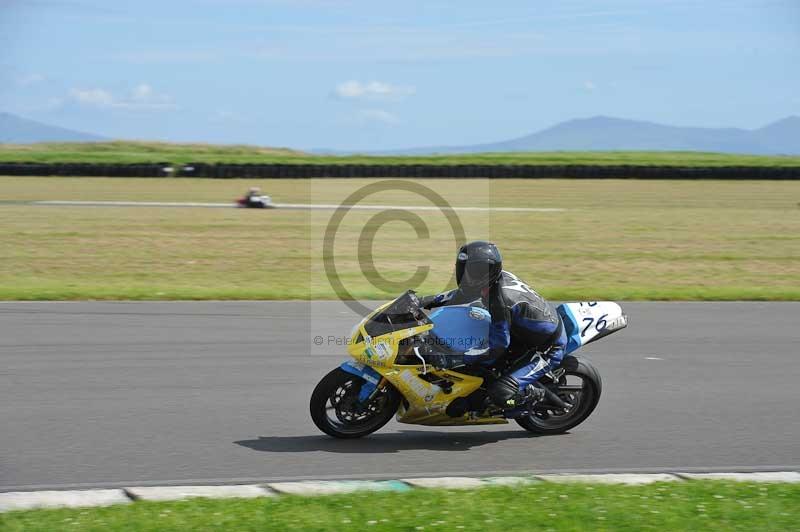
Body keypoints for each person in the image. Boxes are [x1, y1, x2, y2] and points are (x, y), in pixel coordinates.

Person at [420, 241, 567, 409]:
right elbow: (462, 294)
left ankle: (533, 395)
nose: (467, 275)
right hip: (523, 334)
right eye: (464, 269)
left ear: (487, 271)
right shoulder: (492, 281)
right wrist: (424, 301)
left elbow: (497, 346)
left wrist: (460, 358)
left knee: (500, 395)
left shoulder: (501, 301)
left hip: (547, 347)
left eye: (472, 271)